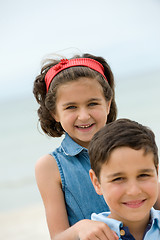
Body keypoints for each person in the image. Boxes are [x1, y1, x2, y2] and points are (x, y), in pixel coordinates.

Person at [33, 53, 119, 240]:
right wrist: (81, 228)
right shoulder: (50, 166)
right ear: (55, 113)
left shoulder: (130, 147)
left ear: (108, 104)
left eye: (92, 103)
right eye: (71, 107)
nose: (84, 116)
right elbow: (58, 236)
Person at [89, 118, 160, 240]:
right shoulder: (87, 236)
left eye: (143, 175)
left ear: (157, 173)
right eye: (118, 179)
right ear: (97, 183)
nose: (134, 191)